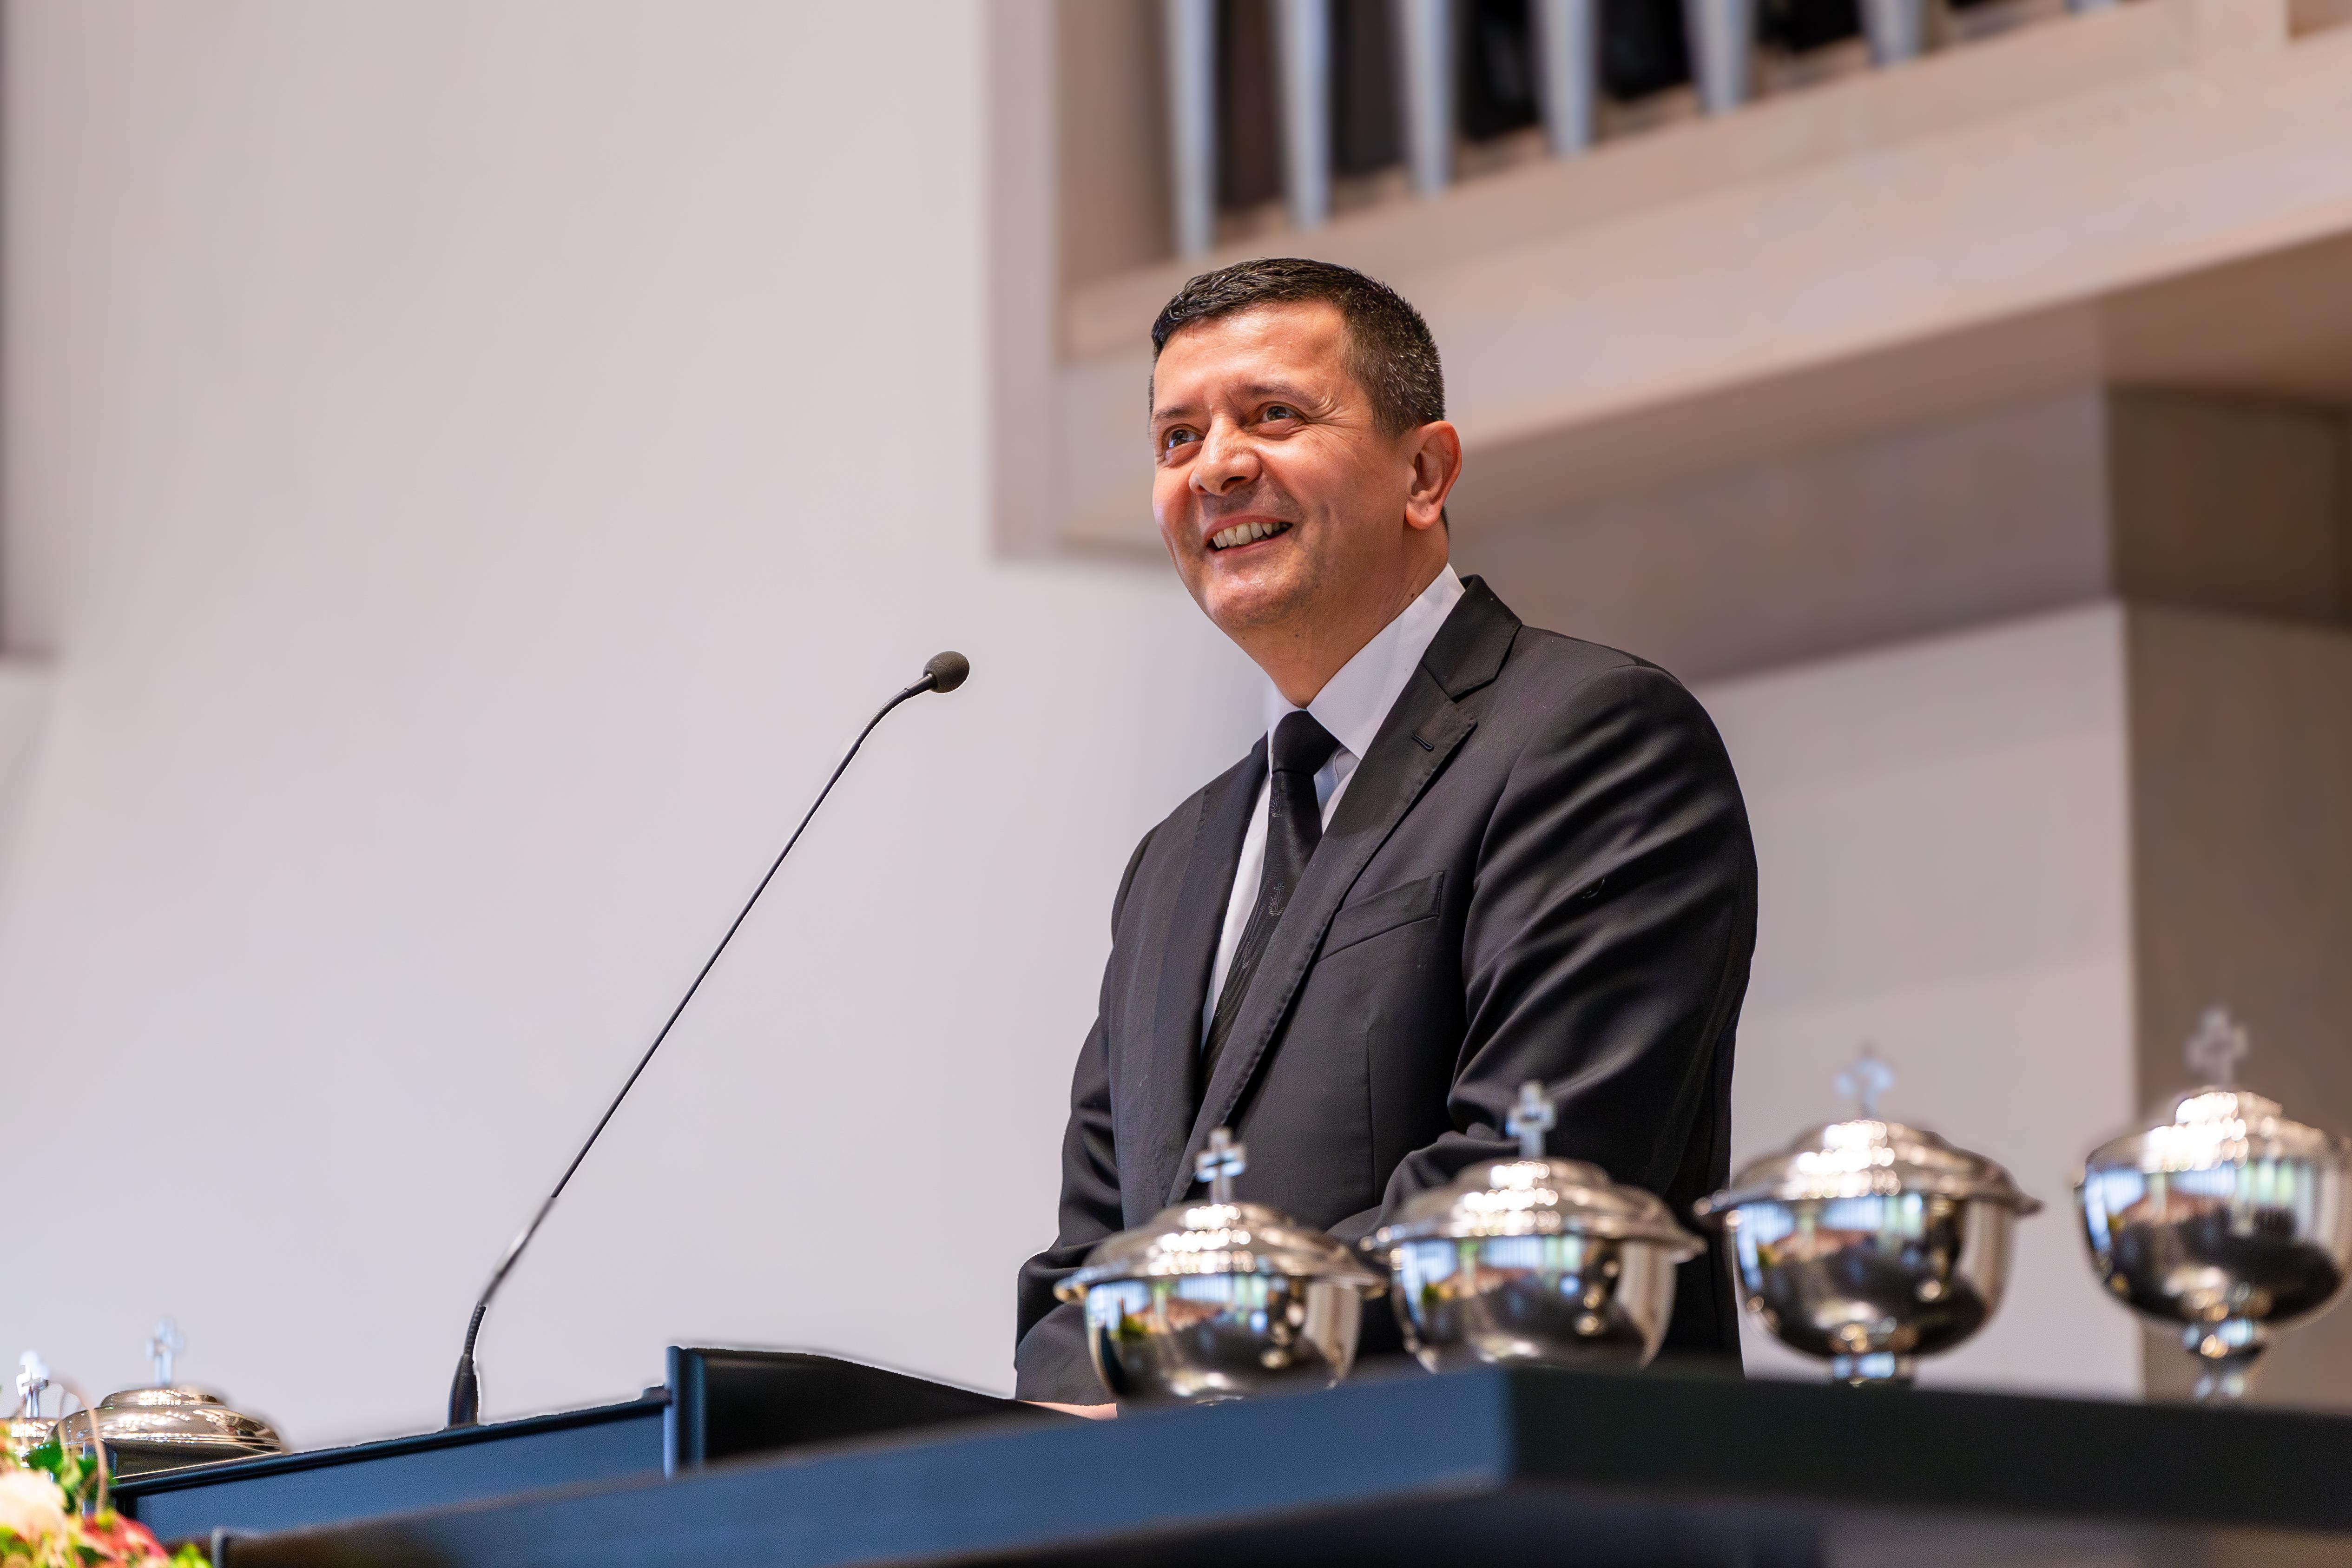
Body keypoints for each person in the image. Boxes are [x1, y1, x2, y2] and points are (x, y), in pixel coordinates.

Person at [1014, 258, 1757, 1412]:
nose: (1215, 466)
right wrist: (1077, 1428)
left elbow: (1526, 1191)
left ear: (1424, 472)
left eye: (1272, 415)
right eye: (1176, 437)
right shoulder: (1172, 862)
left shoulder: (1590, 739)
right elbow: (1084, 1272)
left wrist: (1178, 1366)